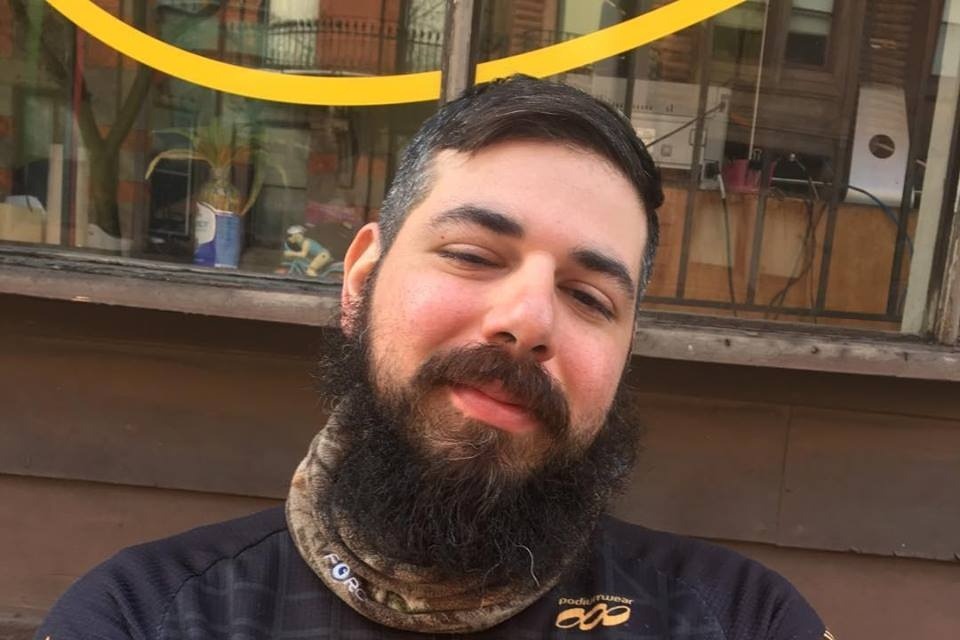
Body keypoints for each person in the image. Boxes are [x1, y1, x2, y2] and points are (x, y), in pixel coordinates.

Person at [35, 75, 831, 639]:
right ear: (361, 280)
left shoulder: (741, 621)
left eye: (590, 297)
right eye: (473, 255)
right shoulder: (146, 616)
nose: (528, 322)